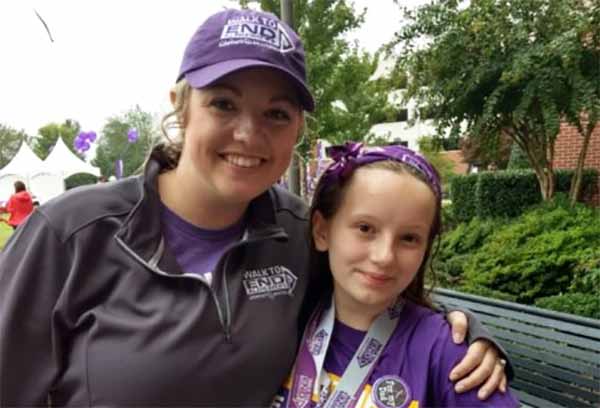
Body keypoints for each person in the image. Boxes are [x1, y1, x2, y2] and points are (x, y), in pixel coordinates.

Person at [0, 8, 507, 406]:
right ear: (181, 106)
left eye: (276, 114)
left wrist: (466, 336)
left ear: (298, 129)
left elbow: (375, 289)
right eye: (223, 103)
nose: (249, 133)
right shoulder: (70, 233)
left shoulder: (297, 232)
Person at [275, 143, 518, 408]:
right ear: (322, 231)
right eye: (365, 228)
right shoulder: (286, 320)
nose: (384, 256)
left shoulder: (447, 352)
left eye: (409, 238)